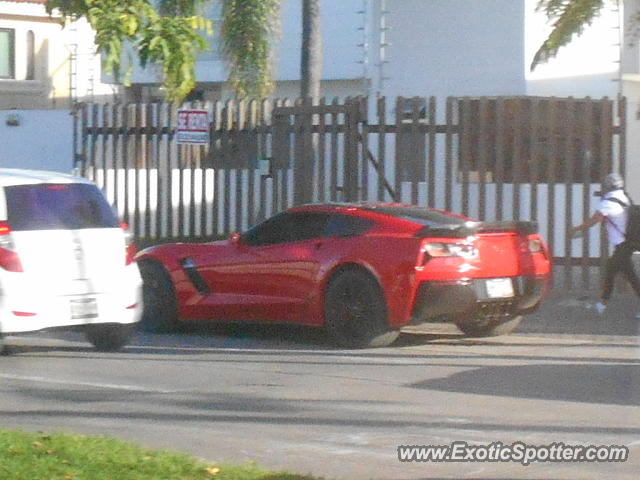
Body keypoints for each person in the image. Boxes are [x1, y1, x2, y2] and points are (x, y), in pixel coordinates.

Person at [570, 172, 640, 314]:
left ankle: (602, 304)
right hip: (627, 243)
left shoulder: (607, 203)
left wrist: (575, 229)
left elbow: (594, 220)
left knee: (622, 274)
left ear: (608, 186)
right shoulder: (625, 197)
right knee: (620, 273)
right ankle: (602, 304)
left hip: (622, 245)